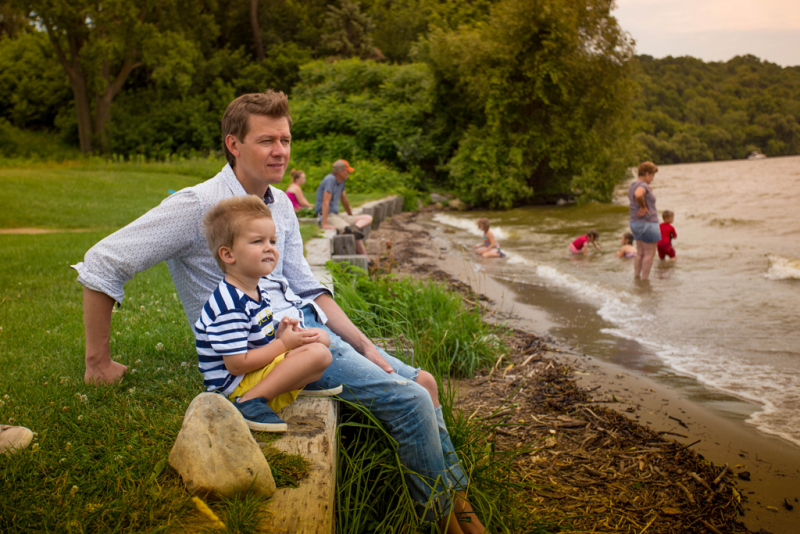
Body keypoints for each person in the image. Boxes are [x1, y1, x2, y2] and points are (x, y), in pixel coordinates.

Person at [73, 91, 483, 533]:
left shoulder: (281, 204)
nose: (281, 151)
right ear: (234, 144)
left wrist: (363, 343)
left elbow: (305, 286)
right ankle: (441, 523)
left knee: (425, 380)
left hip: (304, 328)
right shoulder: (197, 205)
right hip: (264, 348)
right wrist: (98, 362)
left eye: (285, 140)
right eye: (267, 140)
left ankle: (462, 508)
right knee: (411, 400)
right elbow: (103, 261)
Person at [195, 195, 336, 432]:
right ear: (228, 255)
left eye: (272, 240)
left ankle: (296, 381)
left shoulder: (257, 288)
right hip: (234, 385)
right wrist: (283, 345)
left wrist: (279, 334)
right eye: (258, 241)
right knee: (318, 354)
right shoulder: (230, 305)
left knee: (321, 338)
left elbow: (257, 340)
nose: (270, 247)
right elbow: (237, 365)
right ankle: (249, 403)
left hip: (252, 370)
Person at [314, 160, 373, 256]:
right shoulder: (330, 179)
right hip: (328, 216)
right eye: (348, 172)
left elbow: (344, 200)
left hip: (336, 215)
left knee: (367, 218)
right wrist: (324, 223)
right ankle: (367, 260)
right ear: (340, 172)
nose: (349, 174)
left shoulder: (341, 182)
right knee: (348, 230)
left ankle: (355, 228)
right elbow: (325, 202)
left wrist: (351, 216)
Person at [628, 161, 660, 280]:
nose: (652, 179)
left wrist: (648, 192)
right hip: (648, 222)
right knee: (649, 254)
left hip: (634, 222)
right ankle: (645, 281)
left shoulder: (633, 185)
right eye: (652, 176)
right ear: (647, 174)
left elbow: (637, 192)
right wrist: (643, 206)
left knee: (640, 253)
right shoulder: (643, 185)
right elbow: (638, 194)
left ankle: (637, 278)